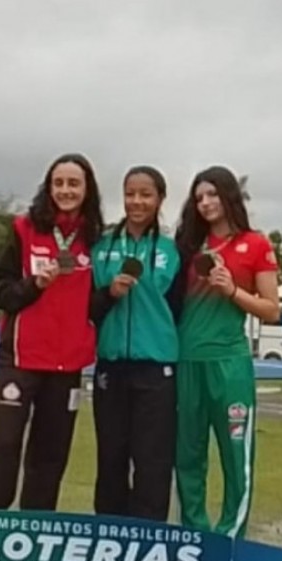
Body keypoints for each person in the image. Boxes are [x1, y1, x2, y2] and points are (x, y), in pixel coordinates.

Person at [0, 153, 104, 511]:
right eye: (58, 183)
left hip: (67, 365)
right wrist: (35, 283)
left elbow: (93, 306)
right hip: (21, 358)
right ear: (48, 188)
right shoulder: (24, 229)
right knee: (4, 445)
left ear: (87, 189)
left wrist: (114, 293)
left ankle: (34, 529)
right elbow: (2, 293)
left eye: (73, 183)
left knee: (50, 456)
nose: (65, 190)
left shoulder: (96, 240)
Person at [175, 166, 279, 538]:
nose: (205, 203)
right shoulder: (186, 247)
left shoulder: (256, 244)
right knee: (187, 456)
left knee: (236, 457)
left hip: (229, 364)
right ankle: (195, 533)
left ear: (229, 195)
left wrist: (232, 291)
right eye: (199, 197)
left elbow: (272, 310)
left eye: (212, 194)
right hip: (186, 362)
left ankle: (231, 535)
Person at [90, 166, 182, 521]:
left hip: (156, 368)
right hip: (111, 366)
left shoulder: (172, 251)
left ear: (160, 199)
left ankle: (148, 539)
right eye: (130, 193)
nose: (137, 201)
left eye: (146, 194)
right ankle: (109, 533)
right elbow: (88, 308)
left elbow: (179, 307)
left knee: (153, 460)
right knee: (111, 456)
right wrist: (109, 294)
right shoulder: (102, 247)